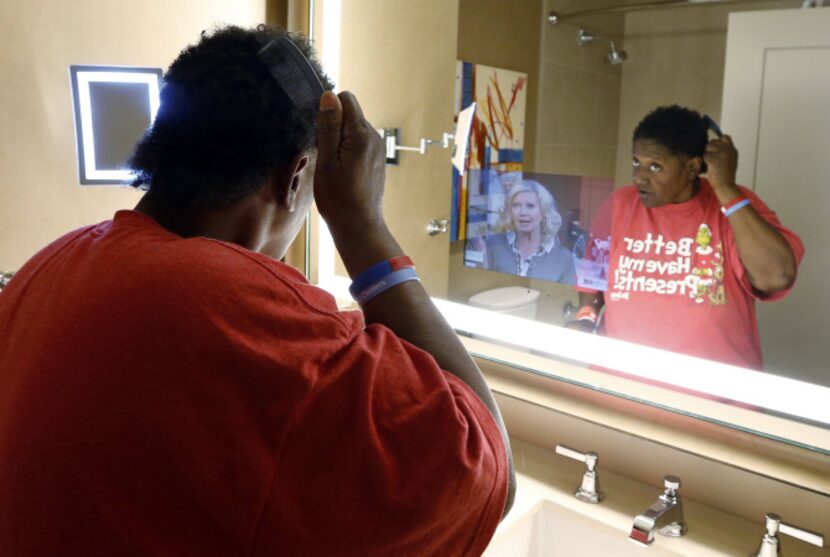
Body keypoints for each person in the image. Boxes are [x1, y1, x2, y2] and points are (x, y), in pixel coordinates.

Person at [0, 25, 514, 556]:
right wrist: (361, 222)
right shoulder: (225, 304)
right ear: (296, 180)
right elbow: (482, 473)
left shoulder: (54, 265)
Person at [569, 105, 804, 370]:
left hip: (710, 399)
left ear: (692, 167)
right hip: (619, 390)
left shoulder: (735, 206)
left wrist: (726, 189)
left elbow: (777, 276)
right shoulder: (619, 204)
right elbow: (592, 276)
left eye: (655, 166)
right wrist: (587, 316)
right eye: (636, 162)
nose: (639, 177)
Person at [485, 180, 577, 284]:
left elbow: (568, 298)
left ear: (543, 212)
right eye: (516, 205)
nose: (522, 212)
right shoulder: (494, 244)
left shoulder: (564, 258)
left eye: (530, 206)